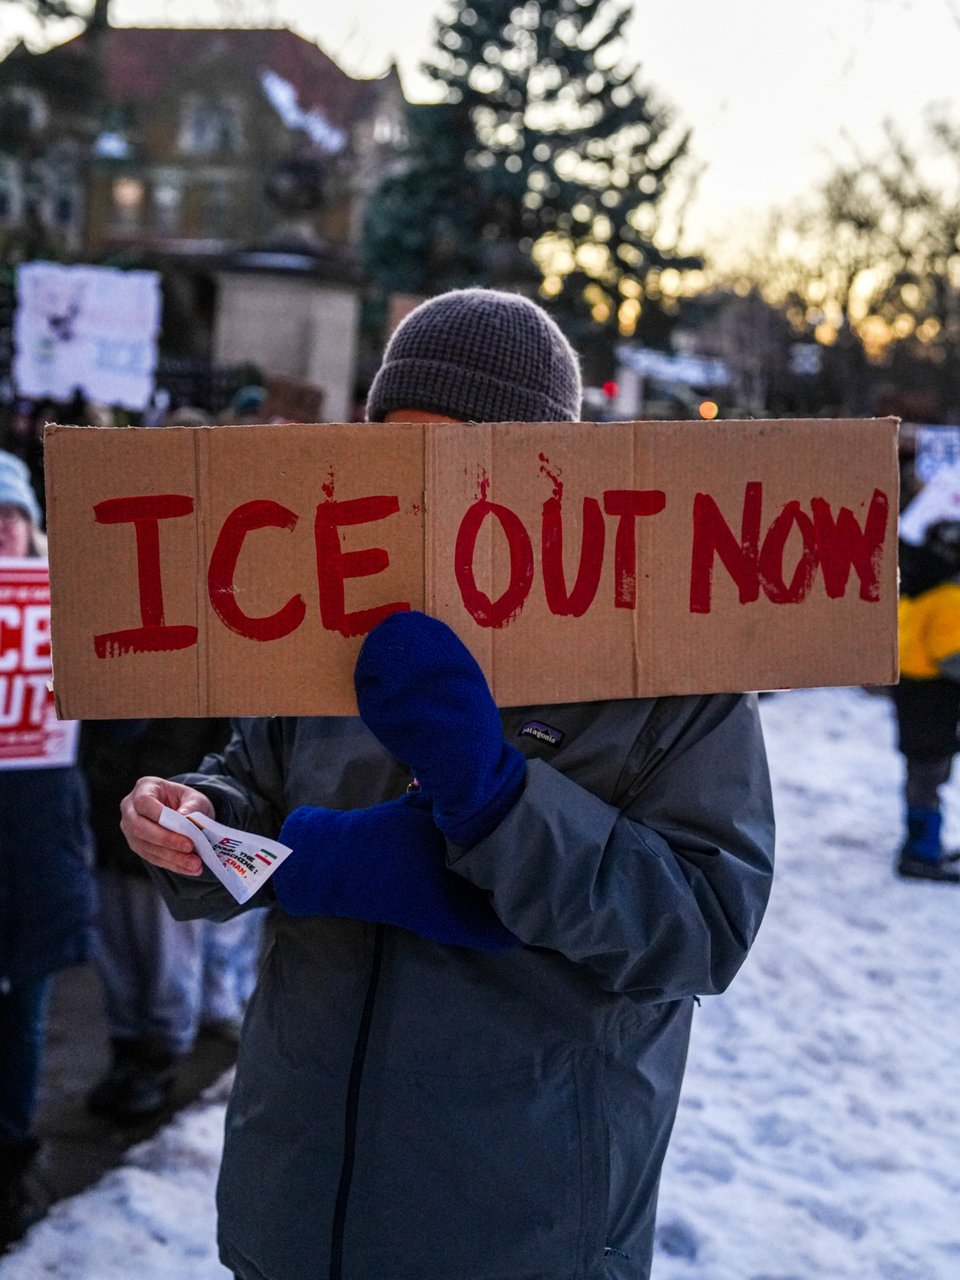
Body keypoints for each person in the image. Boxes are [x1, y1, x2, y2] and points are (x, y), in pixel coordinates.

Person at [119, 288, 775, 1280]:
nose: (420, 488)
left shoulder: (667, 674)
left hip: (518, 1227)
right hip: (295, 1203)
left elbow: (701, 927)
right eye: (395, 450)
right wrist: (195, 820)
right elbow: (250, 787)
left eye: (458, 457)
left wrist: (500, 801)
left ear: (543, 467)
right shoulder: (325, 617)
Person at [0, 452, 95, 1250]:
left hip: (36, 864)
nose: (1, 532)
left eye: (11, 517)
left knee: (23, 1026)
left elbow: (123, 733)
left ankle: (8, 1165)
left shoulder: (64, 615)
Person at [82, 717, 266, 1124]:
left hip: (169, 819)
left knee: (168, 958)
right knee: (115, 955)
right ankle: (126, 1051)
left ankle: (160, 1057)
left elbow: (228, 753)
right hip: (104, 815)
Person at [893, 520, 960, 882]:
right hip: (934, 698)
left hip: (911, 691)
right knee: (930, 775)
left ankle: (922, 845)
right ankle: (920, 852)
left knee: (920, 773)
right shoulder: (949, 596)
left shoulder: (915, 580)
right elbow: (951, 656)